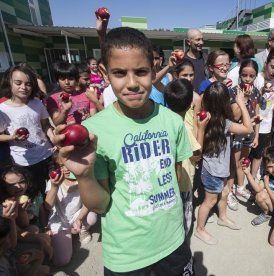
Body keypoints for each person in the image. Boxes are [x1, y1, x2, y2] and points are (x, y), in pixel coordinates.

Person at [55, 27, 194, 275]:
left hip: (174, 243)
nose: (132, 83)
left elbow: (178, 177)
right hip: (127, 255)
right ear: (105, 73)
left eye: (141, 72)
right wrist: (85, 175)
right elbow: (100, 205)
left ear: (153, 69)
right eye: (120, 73)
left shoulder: (172, 121)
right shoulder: (93, 132)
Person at [195, 82, 252, 245]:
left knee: (225, 192)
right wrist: (241, 102)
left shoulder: (205, 118)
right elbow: (248, 128)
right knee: (209, 201)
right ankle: (199, 229)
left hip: (221, 167)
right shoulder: (225, 124)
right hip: (213, 170)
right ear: (225, 103)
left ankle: (222, 217)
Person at [0, 64, 55, 199]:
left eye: (28, 84)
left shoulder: (37, 103)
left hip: (46, 155)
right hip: (24, 162)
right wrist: (12, 137)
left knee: (51, 190)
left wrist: (54, 139)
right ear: (9, 83)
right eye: (18, 83)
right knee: (31, 195)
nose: (23, 87)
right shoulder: (3, 109)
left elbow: (45, 125)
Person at [164, 79, 209, 237]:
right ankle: (183, 245)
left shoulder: (165, 121)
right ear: (191, 102)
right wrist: (202, 129)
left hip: (167, 183)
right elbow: (197, 156)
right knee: (184, 219)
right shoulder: (184, 129)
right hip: (183, 183)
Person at [44, 153, 97, 266]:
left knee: (92, 217)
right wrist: (55, 186)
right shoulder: (53, 182)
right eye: (61, 165)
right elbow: (48, 206)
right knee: (62, 261)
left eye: (70, 164)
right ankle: (66, 236)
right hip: (58, 220)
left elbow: (88, 203)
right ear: (57, 167)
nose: (66, 168)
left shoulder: (83, 178)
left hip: (76, 215)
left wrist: (79, 219)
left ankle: (81, 230)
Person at [227, 59, 261, 211]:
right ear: (239, 75)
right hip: (238, 132)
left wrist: (257, 135)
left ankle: (240, 187)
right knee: (233, 163)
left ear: (256, 76)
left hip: (250, 132)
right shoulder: (234, 91)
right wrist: (245, 98)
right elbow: (235, 116)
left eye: (251, 76)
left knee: (244, 161)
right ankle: (228, 192)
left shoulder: (257, 91)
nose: (248, 79)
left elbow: (258, 114)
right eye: (244, 75)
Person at [250, 50, 274, 188]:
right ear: (266, 64)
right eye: (273, 66)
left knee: (259, 153)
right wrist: (261, 92)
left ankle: (252, 179)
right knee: (247, 152)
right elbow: (249, 100)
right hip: (251, 122)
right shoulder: (256, 78)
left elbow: (273, 105)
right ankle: (239, 179)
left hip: (265, 124)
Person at [185, 28, 207, 93]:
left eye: (202, 39)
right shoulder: (182, 60)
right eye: (198, 40)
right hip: (188, 98)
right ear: (188, 42)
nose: (201, 42)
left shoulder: (207, 59)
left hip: (205, 98)